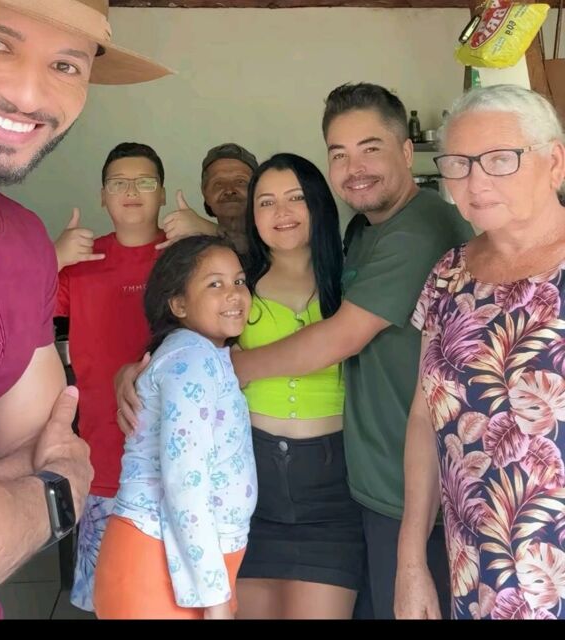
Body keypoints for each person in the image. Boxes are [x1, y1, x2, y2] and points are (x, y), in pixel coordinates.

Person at [0, 0, 170, 619]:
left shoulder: (27, 243)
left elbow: (40, 443)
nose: (29, 95)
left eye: (66, 64)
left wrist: (8, 499)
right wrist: (57, 495)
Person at [228, 83, 474, 618]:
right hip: (367, 483)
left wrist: (233, 366)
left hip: (415, 492)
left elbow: (342, 335)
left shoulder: (421, 228)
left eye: (370, 148)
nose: (354, 168)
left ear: (406, 151)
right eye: (339, 153)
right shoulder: (364, 231)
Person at [395, 85, 565, 620]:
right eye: (459, 163)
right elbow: (424, 417)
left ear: (555, 163)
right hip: (478, 576)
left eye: (500, 159)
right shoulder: (448, 275)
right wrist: (410, 562)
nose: (476, 181)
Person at [94, 235, 257, 619]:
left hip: (177, 562)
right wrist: (216, 600)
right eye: (214, 284)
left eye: (239, 281)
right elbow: (185, 480)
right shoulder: (191, 360)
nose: (234, 293)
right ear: (178, 304)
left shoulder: (203, 354)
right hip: (158, 565)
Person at [233, 153, 361, 619]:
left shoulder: (352, 282)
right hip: (248, 484)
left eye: (295, 198)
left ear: (318, 205)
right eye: (266, 202)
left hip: (332, 489)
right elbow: (186, 356)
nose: (281, 212)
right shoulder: (235, 286)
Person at [54, 142, 166, 612]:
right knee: (111, 600)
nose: (131, 191)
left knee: (176, 599)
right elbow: (8, 307)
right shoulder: (80, 262)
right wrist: (52, 259)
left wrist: (211, 237)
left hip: (178, 461)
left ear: (163, 193)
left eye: (144, 181)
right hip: (103, 458)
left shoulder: (186, 258)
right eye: (118, 182)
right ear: (103, 196)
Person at [156, 143, 257, 254]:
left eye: (240, 182)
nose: (229, 190)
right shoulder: (196, 250)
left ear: (258, 189)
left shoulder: (270, 231)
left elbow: (254, 248)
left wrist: (208, 228)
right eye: (219, 183)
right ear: (205, 193)